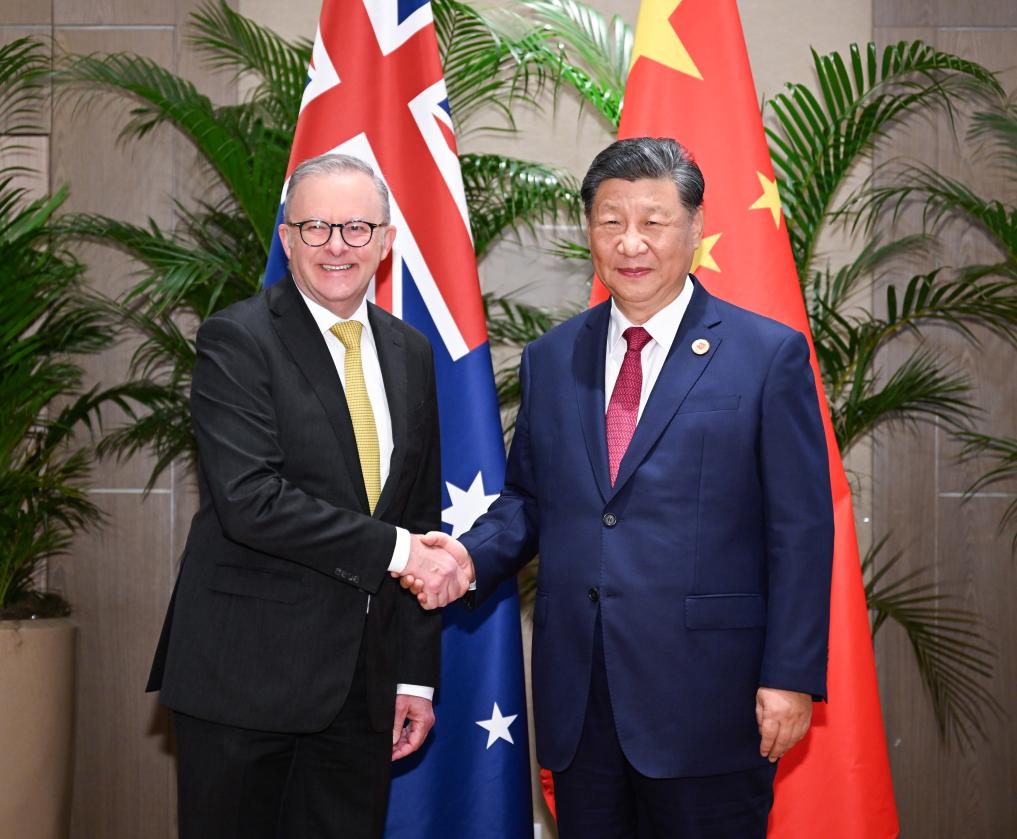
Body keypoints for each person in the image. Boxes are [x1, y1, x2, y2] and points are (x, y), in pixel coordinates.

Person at [417, 137, 834, 838]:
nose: (630, 242)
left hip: (711, 701)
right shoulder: (554, 356)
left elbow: (799, 528)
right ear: (590, 233)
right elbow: (529, 499)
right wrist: (466, 558)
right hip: (582, 701)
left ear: (695, 229)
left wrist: (789, 674)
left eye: (653, 220)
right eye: (610, 221)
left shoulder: (767, 356)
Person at [147, 153, 471, 839]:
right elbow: (250, 499)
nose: (336, 246)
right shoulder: (237, 338)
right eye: (315, 226)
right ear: (287, 239)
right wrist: (400, 551)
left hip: (361, 689)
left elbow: (416, 517)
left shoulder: (410, 352)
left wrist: (414, 676)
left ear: (386, 242)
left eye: (356, 228)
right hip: (243, 679)